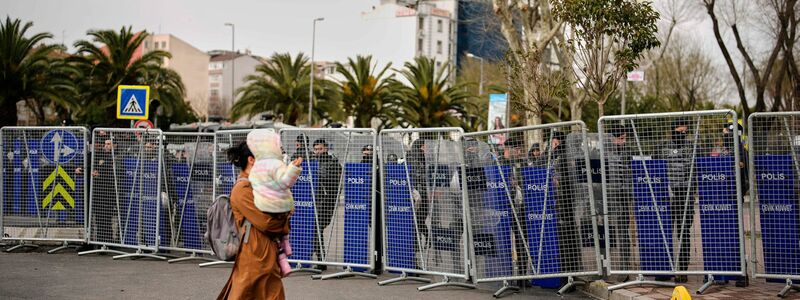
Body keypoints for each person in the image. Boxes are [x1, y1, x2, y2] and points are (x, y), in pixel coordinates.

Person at [217, 141, 300, 300]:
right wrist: (285, 214)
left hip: (264, 251)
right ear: (251, 160)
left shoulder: (258, 186)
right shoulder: (243, 189)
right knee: (246, 294)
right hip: (254, 253)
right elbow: (267, 223)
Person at [661, 119, 695, 283]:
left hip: (685, 194)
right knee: (665, 230)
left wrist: (692, 191)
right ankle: (664, 268)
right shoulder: (663, 147)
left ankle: (682, 269)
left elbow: (696, 170)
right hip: (667, 195)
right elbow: (657, 168)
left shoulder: (692, 147)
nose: (683, 134)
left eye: (685, 131)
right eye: (679, 131)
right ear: (672, 130)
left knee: (683, 231)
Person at [547, 131, 582, 273]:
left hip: (568, 202)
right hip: (557, 202)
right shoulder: (552, 155)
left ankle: (571, 268)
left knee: (569, 233)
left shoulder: (568, 156)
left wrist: (557, 179)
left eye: (555, 143)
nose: (553, 146)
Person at [605, 124, 633, 281]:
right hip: (606, 197)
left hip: (622, 197)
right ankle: (604, 266)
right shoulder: (603, 153)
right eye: (621, 138)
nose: (624, 141)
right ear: (613, 138)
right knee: (606, 232)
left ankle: (624, 267)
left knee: (623, 232)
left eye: (625, 138)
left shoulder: (628, 152)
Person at [309, 138, 342, 266]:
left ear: (326, 148)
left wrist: (319, 175)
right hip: (313, 202)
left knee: (318, 228)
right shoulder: (312, 162)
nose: (318, 152)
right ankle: (318, 257)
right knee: (314, 229)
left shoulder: (333, 163)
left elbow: (335, 184)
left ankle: (320, 259)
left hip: (327, 202)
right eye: (316, 149)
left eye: (320, 149)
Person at [90, 135, 122, 243]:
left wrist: (101, 174)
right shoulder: (99, 155)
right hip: (99, 192)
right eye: (105, 144)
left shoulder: (118, 157)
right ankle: (100, 240)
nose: (106, 146)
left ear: (115, 145)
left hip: (111, 192)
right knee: (99, 218)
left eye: (108, 144)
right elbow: (94, 167)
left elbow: (115, 174)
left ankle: (109, 240)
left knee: (108, 217)